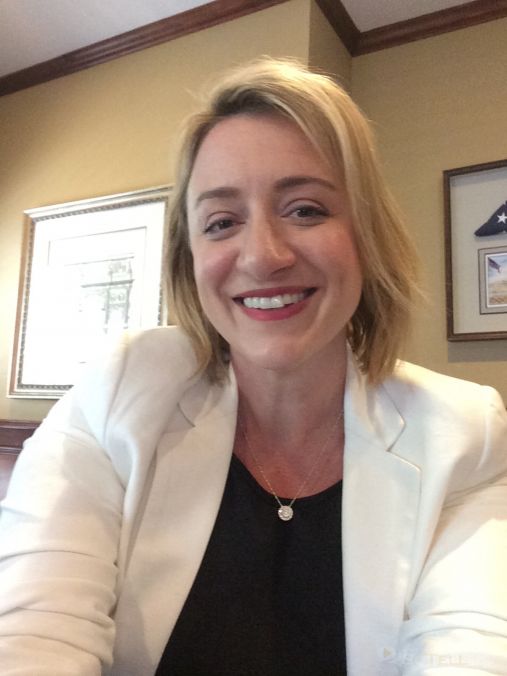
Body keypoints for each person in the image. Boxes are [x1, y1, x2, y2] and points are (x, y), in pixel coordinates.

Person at [0, 57, 506, 676]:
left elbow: (472, 651)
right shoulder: (120, 391)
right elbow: (32, 634)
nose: (262, 256)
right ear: (189, 258)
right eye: (221, 222)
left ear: (367, 234)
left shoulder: (464, 432)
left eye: (306, 210)